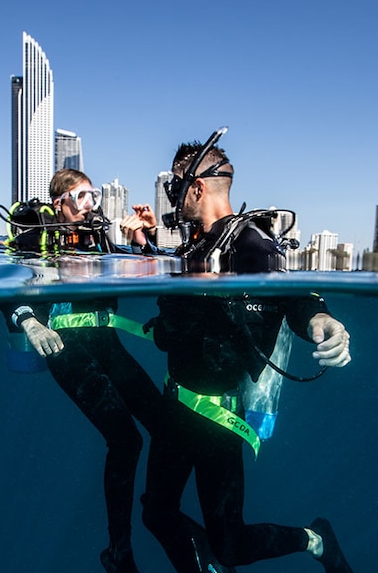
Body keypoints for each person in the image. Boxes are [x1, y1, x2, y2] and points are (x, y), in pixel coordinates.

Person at [0, 169, 233, 573]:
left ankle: (174, 523)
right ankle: (119, 552)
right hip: (64, 347)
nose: (92, 203)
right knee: (126, 440)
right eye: (82, 196)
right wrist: (30, 321)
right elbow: (5, 285)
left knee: (168, 426)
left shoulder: (102, 238)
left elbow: (161, 271)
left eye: (94, 195)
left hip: (106, 342)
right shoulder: (39, 238)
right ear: (60, 204)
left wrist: (145, 243)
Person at [140, 130, 355, 573]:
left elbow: (291, 295)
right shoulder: (197, 245)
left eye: (176, 190)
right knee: (155, 512)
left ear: (196, 188)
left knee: (231, 545)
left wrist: (321, 320)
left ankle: (314, 539)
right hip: (174, 405)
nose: (173, 201)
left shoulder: (249, 243)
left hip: (218, 418)